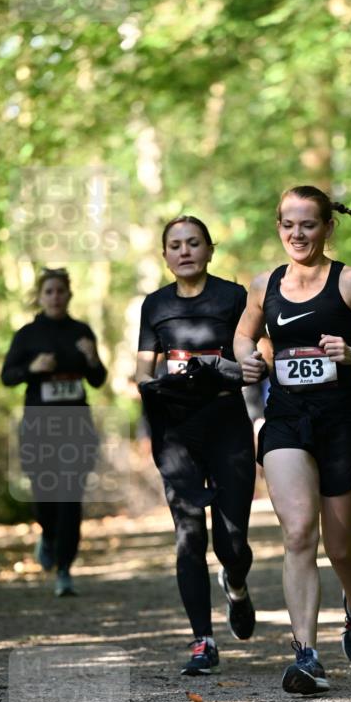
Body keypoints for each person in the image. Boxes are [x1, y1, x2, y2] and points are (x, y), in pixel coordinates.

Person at [234, 185, 351, 695]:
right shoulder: (265, 284)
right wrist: (251, 356)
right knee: (297, 534)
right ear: (278, 226)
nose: (297, 233)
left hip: (343, 422)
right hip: (287, 419)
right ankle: (306, 655)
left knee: (338, 546)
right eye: (288, 224)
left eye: (307, 224)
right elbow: (246, 332)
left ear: (328, 227)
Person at [135, 216, 258, 676]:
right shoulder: (155, 305)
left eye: (193, 243)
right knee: (189, 534)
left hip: (227, 422)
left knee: (232, 541)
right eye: (175, 245)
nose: (184, 251)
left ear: (209, 249)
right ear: (165, 256)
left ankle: (237, 584)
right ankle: (202, 641)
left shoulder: (233, 297)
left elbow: (254, 356)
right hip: (177, 428)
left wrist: (232, 368)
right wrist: (156, 386)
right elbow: (142, 371)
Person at [1, 267, 107, 596]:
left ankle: (64, 569)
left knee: (70, 498)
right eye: (49, 291)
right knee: (44, 494)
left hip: (76, 426)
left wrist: (91, 358)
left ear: (69, 294)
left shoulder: (81, 331)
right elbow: (7, 376)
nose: (55, 297)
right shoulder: (27, 335)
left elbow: (98, 379)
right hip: (39, 426)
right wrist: (32, 368)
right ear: (40, 296)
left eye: (60, 291)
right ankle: (47, 535)